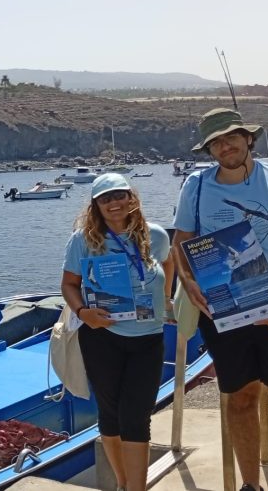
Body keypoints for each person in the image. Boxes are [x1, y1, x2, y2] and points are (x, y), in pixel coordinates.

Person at [172, 108, 268, 491]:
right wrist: (190, 285)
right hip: (226, 312)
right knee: (239, 400)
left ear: (248, 138)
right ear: (209, 150)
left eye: (231, 137)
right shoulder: (196, 185)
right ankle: (250, 486)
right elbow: (182, 244)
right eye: (216, 142)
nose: (225, 146)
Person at [60, 173, 174, 491]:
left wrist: (165, 299)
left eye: (119, 196)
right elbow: (69, 284)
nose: (114, 203)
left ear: (131, 198)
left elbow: (169, 262)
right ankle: (124, 483)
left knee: (136, 416)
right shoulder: (82, 240)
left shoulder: (156, 236)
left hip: (148, 338)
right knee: (110, 415)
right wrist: (84, 313)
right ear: (96, 205)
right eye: (105, 198)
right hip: (101, 337)